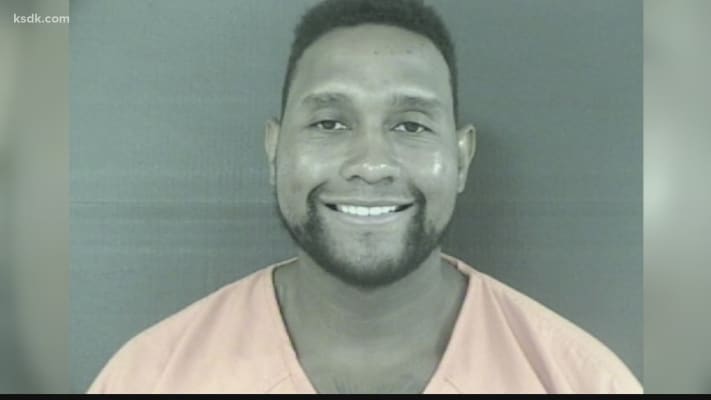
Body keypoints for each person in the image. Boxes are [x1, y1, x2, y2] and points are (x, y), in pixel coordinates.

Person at [88, 0, 642, 394]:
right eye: (329, 123)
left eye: (411, 125)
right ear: (275, 149)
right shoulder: (148, 378)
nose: (371, 165)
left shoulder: (581, 380)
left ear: (462, 158)